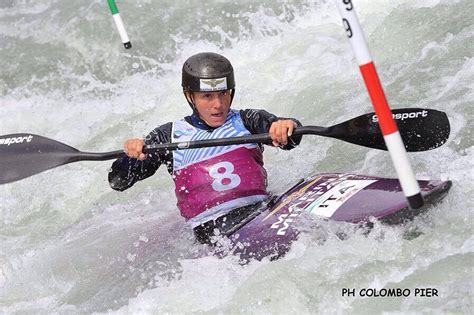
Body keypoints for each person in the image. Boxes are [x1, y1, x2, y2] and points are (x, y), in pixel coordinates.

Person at [108, 52, 302, 244]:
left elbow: (292, 139)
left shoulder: (248, 121)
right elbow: (118, 181)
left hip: (262, 212)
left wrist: (285, 126)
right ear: (189, 96)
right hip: (213, 235)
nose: (218, 104)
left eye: (223, 93)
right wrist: (131, 154)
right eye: (207, 96)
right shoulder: (168, 136)